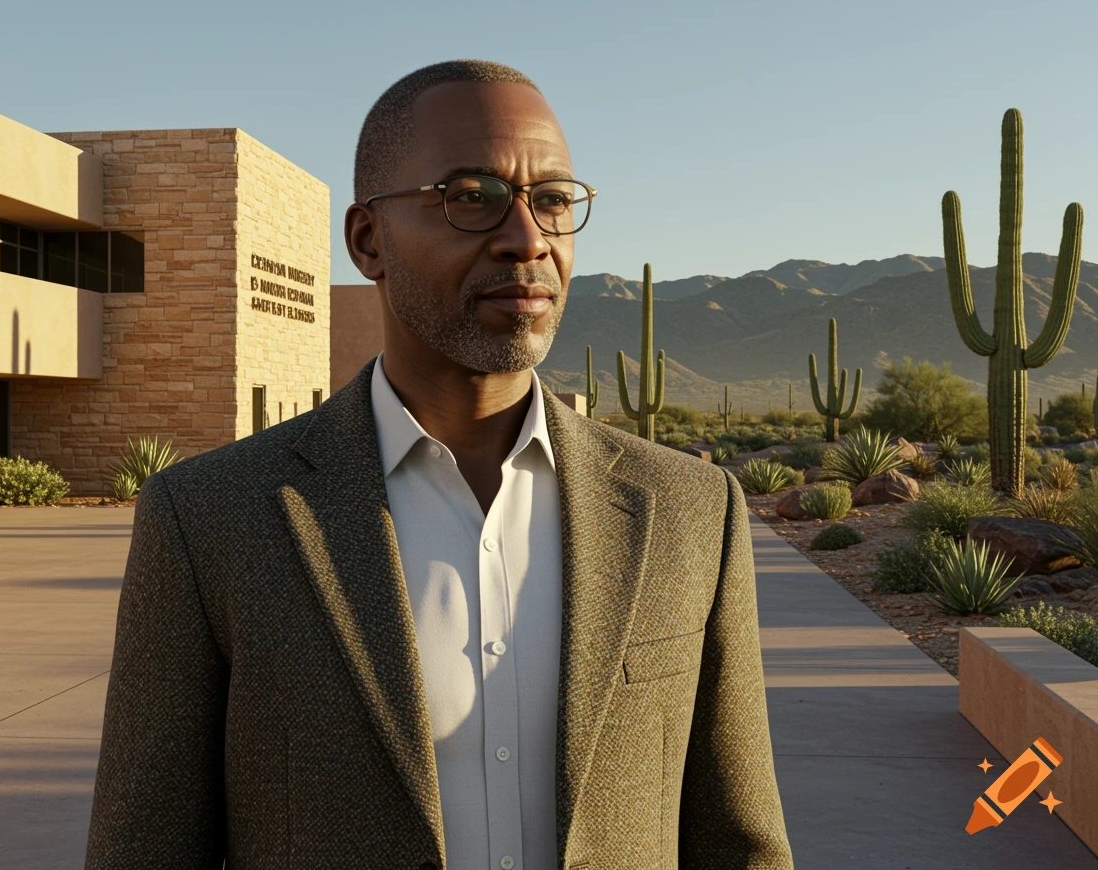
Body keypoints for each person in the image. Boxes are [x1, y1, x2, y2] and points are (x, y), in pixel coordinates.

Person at [84, 60, 794, 870]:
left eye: (553, 200)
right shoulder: (212, 517)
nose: (527, 238)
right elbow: (143, 848)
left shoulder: (691, 510)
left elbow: (742, 841)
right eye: (470, 197)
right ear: (367, 240)